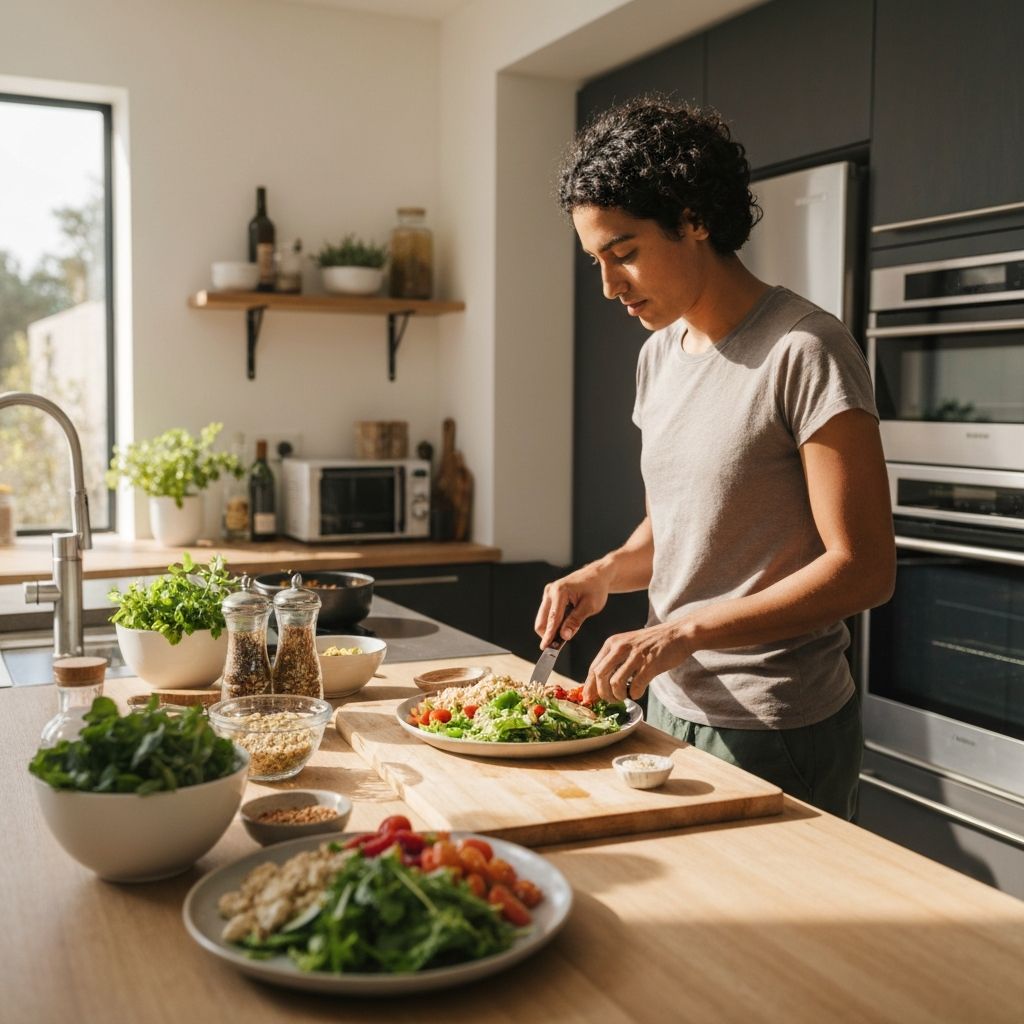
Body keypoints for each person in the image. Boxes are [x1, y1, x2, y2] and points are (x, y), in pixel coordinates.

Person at [535, 98, 895, 819]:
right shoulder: (658, 356)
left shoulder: (805, 351)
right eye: (596, 261)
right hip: (666, 709)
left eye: (625, 252)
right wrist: (606, 572)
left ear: (694, 217)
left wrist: (684, 629)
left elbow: (864, 569)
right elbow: (686, 523)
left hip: (778, 726)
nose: (609, 286)